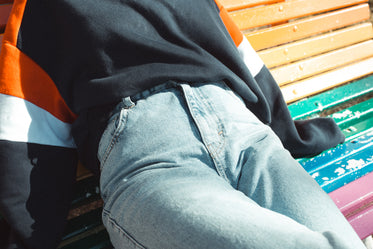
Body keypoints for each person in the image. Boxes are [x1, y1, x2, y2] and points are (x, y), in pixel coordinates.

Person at [0, 0, 367, 248]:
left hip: (249, 138)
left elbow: (244, 64)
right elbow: (25, 135)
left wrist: (290, 137)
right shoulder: (40, 9)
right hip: (153, 162)